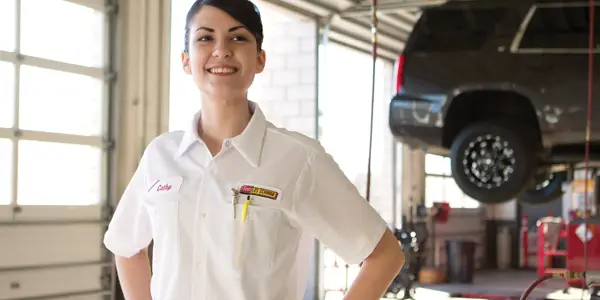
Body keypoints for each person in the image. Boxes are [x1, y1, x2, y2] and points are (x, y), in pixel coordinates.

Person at [102, 0, 405, 299]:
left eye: (238, 37)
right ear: (185, 59)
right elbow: (126, 247)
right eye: (205, 38)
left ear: (260, 59)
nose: (221, 50)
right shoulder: (161, 156)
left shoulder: (298, 159)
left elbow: (385, 255)